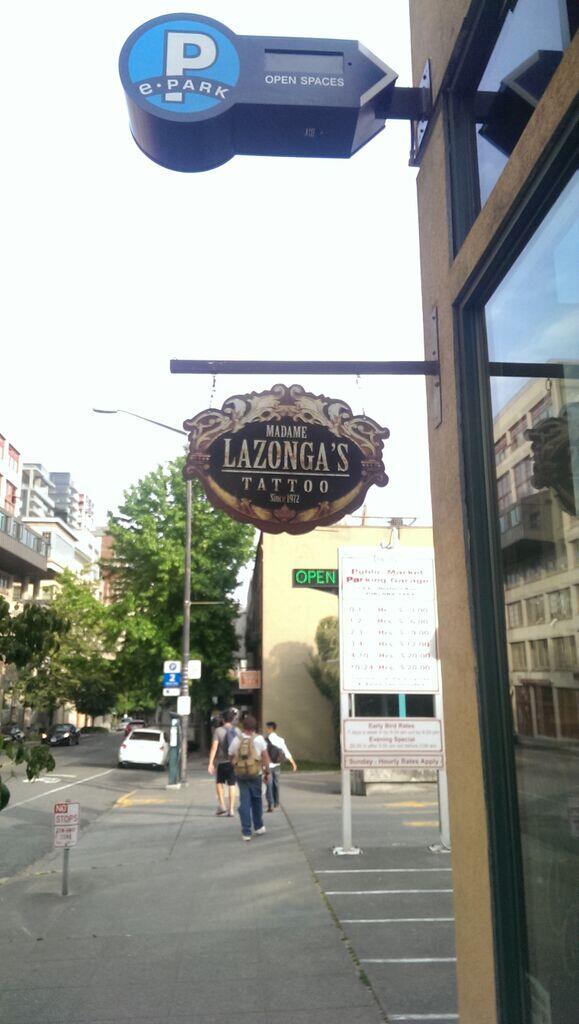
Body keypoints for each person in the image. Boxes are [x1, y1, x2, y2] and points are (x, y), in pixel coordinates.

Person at [229, 715, 270, 841]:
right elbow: (265, 757)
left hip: (241, 774)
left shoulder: (237, 739)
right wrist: (267, 772)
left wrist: (235, 766)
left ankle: (246, 831)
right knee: (257, 799)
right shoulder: (259, 739)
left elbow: (230, 754)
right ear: (255, 727)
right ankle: (258, 826)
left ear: (243, 726)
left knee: (245, 801)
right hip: (256, 773)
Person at [208, 709, 238, 817]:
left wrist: (211, 762)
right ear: (232, 719)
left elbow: (214, 748)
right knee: (232, 784)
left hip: (221, 762)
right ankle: (231, 809)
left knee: (219, 782)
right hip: (233, 762)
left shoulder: (218, 731)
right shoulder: (237, 731)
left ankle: (222, 805)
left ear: (223, 719)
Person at [264, 721, 297, 811]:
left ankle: (270, 804)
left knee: (269, 784)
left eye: (267, 728)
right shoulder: (280, 740)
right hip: (277, 765)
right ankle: (276, 802)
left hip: (268, 765)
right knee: (276, 783)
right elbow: (286, 752)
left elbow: (263, 753)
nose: (266, 730)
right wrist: (293, 763)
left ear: (270, 729)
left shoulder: (265, 740)